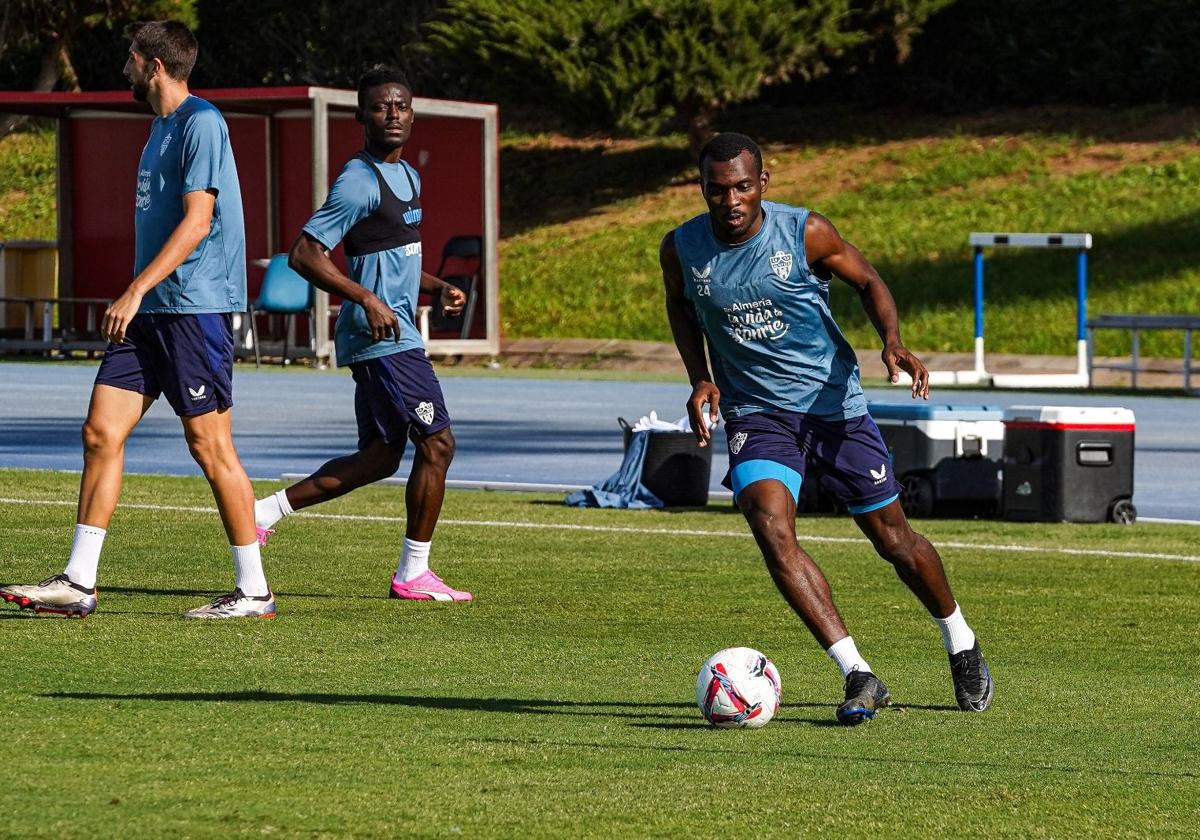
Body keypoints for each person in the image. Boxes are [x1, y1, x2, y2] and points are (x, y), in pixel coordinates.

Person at [661, 132, 993, 724]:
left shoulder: (805, 232)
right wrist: (700, 376)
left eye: (742, 187)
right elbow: (680, 307)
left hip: (832, 407)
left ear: (763, 183)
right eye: (718, 190)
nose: (731, 200)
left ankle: (960, 641)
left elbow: (869, 282)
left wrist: (892, 342)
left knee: (894, 540)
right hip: (756, 413)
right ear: (703, 190)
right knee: (770, 526)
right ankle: (858, 673)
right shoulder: (682, 247)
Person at [0, 21, 273, 619]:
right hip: (152, 311)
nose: (123, 68)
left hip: (192, 308)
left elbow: (198, 222)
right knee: (100, 433)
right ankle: (78, 581)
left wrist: (133, 289)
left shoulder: (202, 123)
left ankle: (253, 590)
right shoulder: (158, 130)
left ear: (154, 65)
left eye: (130, 59)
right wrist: (141, 297)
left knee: (209, 445)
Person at [251, 66, 472, 602]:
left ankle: (263, 512)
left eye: (400, 106)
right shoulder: (358, 179)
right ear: (361, 117)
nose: (392, 114)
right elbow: (305, 253)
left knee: (379, 457)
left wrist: (435, 285)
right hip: (382, 339)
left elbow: (390, 260)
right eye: (380, 107)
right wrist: (366, 299)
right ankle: (413, 573)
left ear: (412, 114)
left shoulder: (410, 179)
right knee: (438, 445)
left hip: (397, 334)